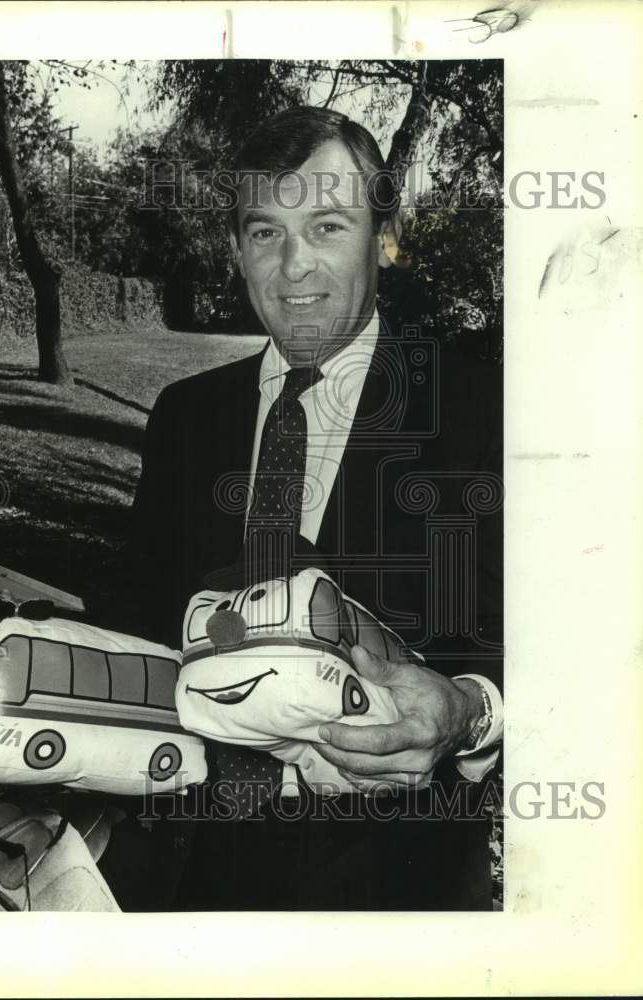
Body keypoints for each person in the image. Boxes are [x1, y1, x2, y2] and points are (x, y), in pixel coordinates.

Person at [105, 106, 503, 910]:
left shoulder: (486, 411)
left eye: (326, 226)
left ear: (384, 238)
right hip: (183, 878)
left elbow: (583, 653)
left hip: (393, 888)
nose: (293, 268)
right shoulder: (186, 416)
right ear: (234, 251)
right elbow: (134, 610)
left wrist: (468, 712)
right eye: (264, 233)